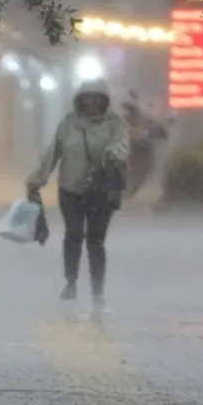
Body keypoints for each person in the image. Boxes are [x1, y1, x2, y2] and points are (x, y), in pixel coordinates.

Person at [27, 78, 130, 315]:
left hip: (101, 192)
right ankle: (70, 283)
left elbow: (122, 145)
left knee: (96, 241)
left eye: (96, 99)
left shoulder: (114, 124)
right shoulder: (69, 125)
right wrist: (37, 178)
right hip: (70, 190)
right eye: (87, 98)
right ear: (80, 101)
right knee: (73, 235)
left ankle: (97, 289)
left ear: (104, 101)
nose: (91, 103)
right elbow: (52, 153)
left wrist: (112, 155)